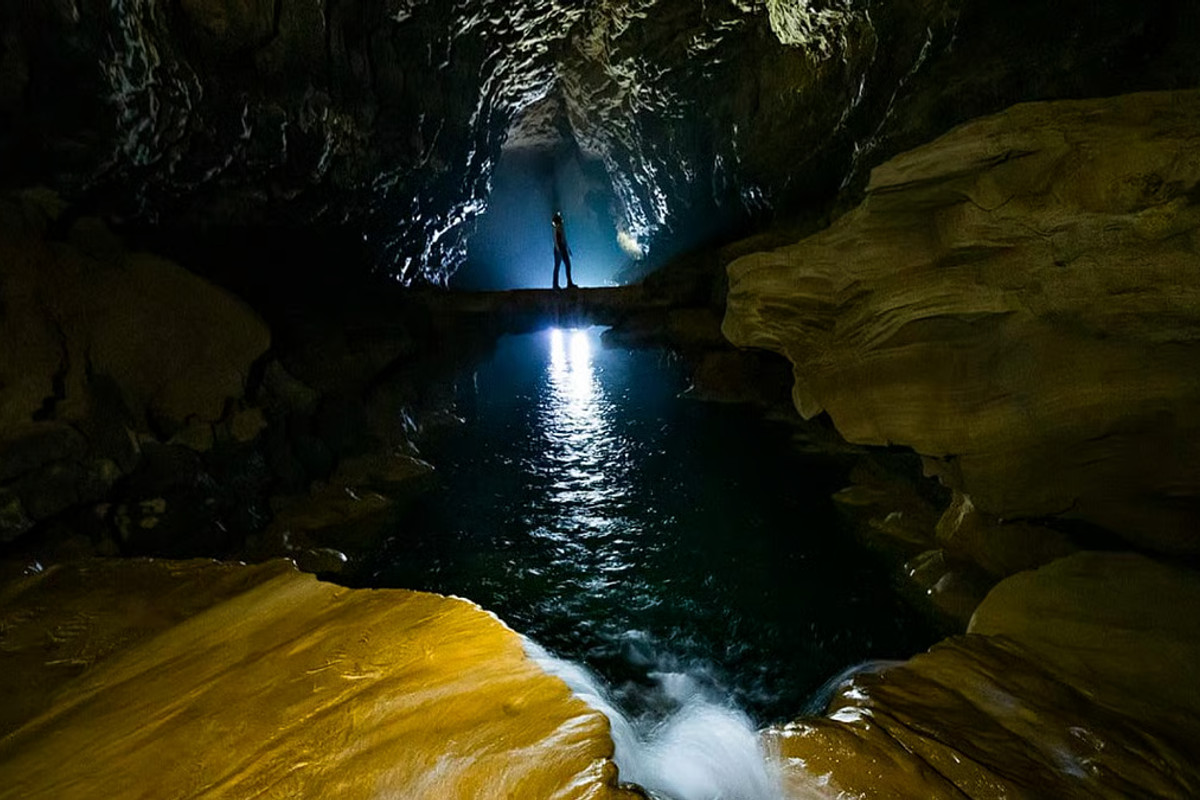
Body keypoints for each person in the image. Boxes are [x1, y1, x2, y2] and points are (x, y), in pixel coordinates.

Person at [551, 211, 577, 289]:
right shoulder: (556, 229)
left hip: (562, 249)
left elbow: (564, 239)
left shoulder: (560, 229)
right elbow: (555, 241)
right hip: (559, 250)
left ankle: (568, 283)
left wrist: (568, 249)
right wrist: (559, 250)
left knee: (566, 265)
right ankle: (556, 285)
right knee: (558, 266)